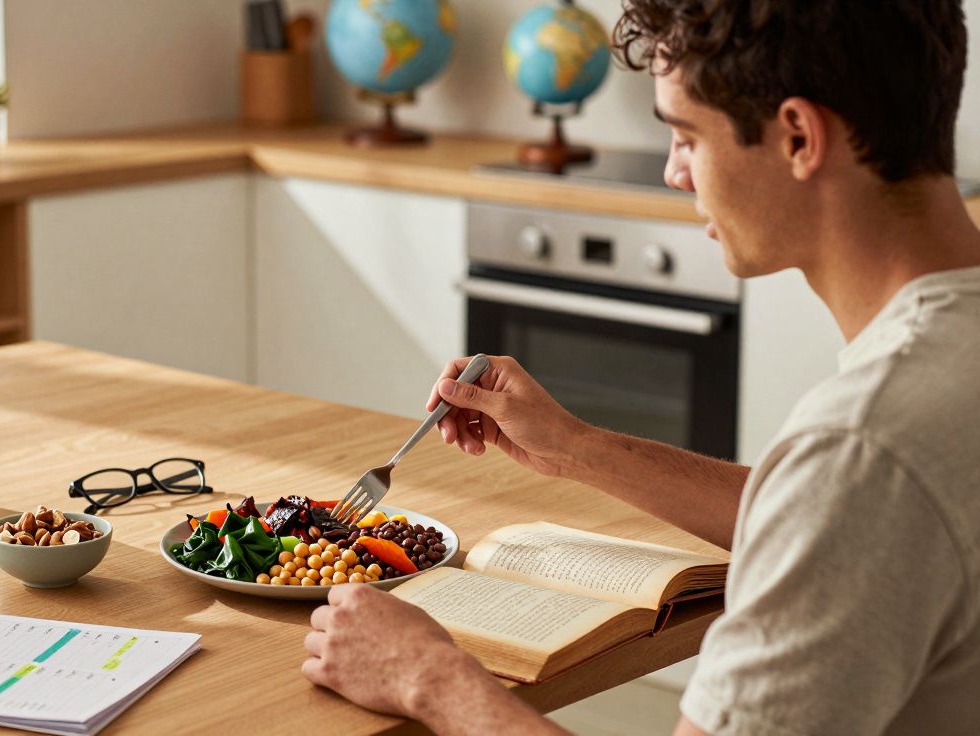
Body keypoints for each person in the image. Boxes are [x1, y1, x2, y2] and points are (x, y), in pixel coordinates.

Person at [300, 1, 980, 734]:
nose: (674, 173)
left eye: (686, 136)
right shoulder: (920, 401)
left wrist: (429, 679)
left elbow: (845, 495)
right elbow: (841, 518)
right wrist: (577, 449)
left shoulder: (861, 452)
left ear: (797, 136)